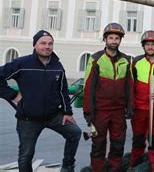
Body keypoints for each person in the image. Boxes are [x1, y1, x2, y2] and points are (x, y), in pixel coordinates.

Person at [0, 30, 81, 172]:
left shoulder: (57, 66)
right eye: (43, 43)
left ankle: (68, 167)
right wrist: (12, 95)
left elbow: (63, 90)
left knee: (75, 132)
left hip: (53, 116)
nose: (47, 46)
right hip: (28, 119)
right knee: (26, 155)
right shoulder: (22, 63)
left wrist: (67, 112)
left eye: (50, 43)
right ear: (35, 45)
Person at [83, 23, 134, 172]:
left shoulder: (125, 60)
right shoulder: (95, 59)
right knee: (98, 144)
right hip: (100, 110)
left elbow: (129, 86)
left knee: (118, 144)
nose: (114, 41)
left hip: (118, 111)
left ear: (120, 40)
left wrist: (130, 107)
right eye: (110, 38)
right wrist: (88, 112)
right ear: (105, 39)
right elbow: (89, 87)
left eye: (117, 38)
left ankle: (114, 169)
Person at [129, 30, 154, 171]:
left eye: (153, 44)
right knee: (138, 140)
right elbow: (130, 85)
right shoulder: (136, 62)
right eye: (147, 44)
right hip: (139, 109)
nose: (150, 47)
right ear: (143, 46)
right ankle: (134, 167)